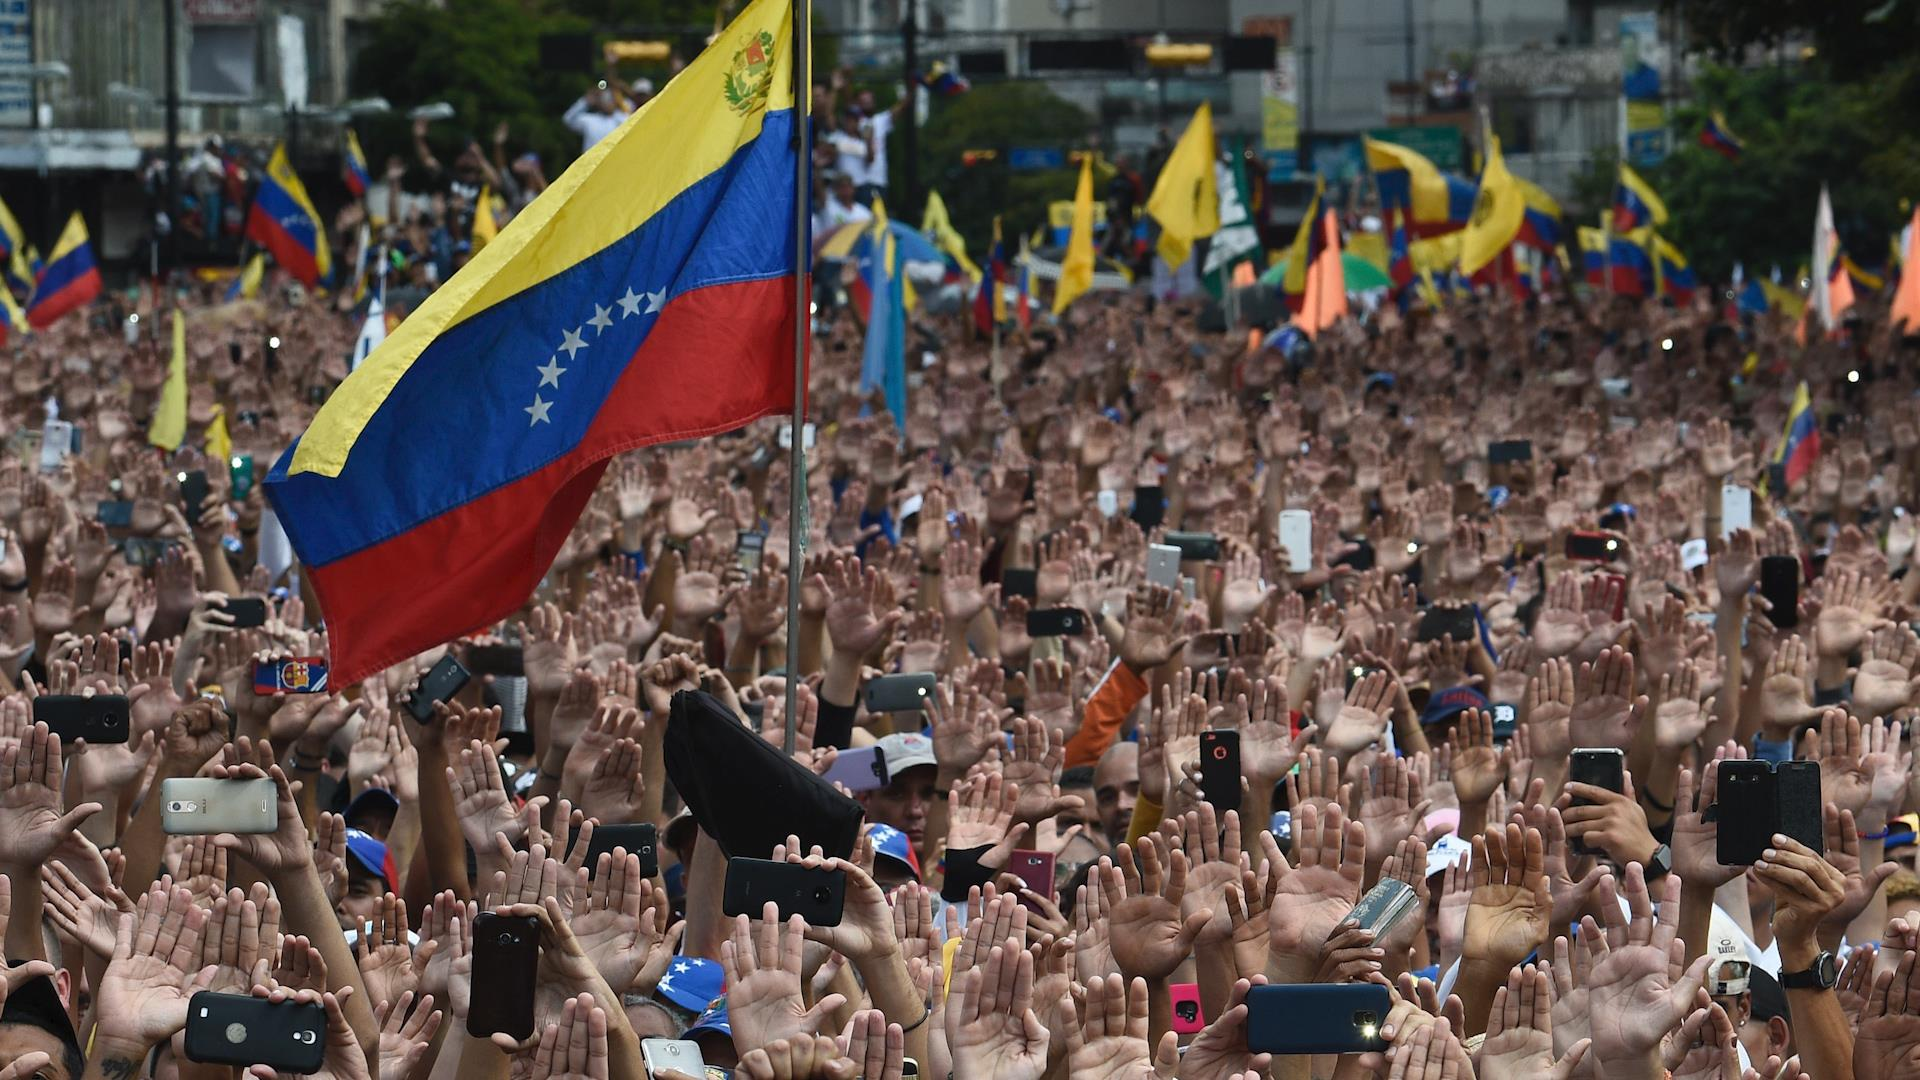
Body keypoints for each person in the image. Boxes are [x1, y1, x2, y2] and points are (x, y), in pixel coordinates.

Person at [10, 169, 1920, 1080]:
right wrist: (520, 981)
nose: (1004, 900)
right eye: (963, 864)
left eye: (1013, 874)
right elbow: (410, 992)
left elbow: (1696, 970)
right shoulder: (738, 974)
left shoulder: (1175, 970)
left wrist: (1565, 1014)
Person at [562, 82, 630, 153]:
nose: (607, 102)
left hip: (614, 162)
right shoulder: (589, 120)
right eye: (605, 99)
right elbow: (567, 119)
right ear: (598, 101)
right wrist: (585, 101)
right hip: (590, 163)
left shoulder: (621, 119)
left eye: (610, 99)